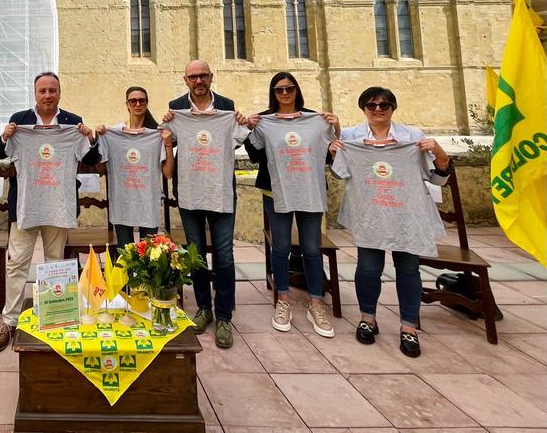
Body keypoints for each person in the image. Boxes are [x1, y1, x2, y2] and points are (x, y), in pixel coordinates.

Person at [331, 86, 452, 358]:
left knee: (408, 270)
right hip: (370, 215)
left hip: (405, 217)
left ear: (393, 108)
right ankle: (367, 318)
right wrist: (334, 151)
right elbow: (339, 173)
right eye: (371, 105)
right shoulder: (351, 137)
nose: (378, 109)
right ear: (363, 109)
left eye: (384, 105)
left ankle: (408, 327)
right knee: (368, 268)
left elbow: (438, 178)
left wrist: (440, 154)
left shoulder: (413, 137)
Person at [0, 71, 98, 353]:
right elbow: (2, 155)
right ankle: (9, 322)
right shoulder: (20, 120)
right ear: (35, 94)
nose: (47, 95)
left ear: (59, 93)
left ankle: (57, 316)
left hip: (58, 206)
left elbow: (91, 158)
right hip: (25, 206)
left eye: (52, 90)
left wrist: (90, 137)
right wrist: (4, 137)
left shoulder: (73, 123)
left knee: (55, 263)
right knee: (16, 265)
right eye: (42, 91)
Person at [244, 71, 339, 337]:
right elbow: (253, 155)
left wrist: (336, 129)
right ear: (272, 94)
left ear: (297, 90)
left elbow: (330, 156)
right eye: (278, 90)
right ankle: (283, 301)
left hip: (309, 190)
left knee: (311, 247)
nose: (284, 94)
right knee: (281, 246)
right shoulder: (265, 121)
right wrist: (250, 127)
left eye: (289, 89)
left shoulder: (317, 121)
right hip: (277, 191)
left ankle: (315, 302)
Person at [162, 60, 240, 346]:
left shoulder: (227, 107)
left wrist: (242, 122)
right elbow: (164, 138)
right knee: (194, 254)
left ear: (211, 77)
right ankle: (204, 308)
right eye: (193, 76)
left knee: (224, 255)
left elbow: (238, 141)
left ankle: (224, 316)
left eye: (203, 76)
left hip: (220, 192)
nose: (198, 81)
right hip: (190, 192)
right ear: (185, 80)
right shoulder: (176, 108)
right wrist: (166, 128)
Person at [96, 86, 174, 247]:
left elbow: (167, 173)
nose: (137, 104)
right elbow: (101, 170)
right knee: (125, 252)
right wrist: (98, 140)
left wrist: (167, 145)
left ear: (147, 103)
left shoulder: (157, 135)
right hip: (122, 202)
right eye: (133, 101)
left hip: (148, 203)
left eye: (142, 100)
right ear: (127, 104)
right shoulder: (114, 133)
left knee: (150, 254)